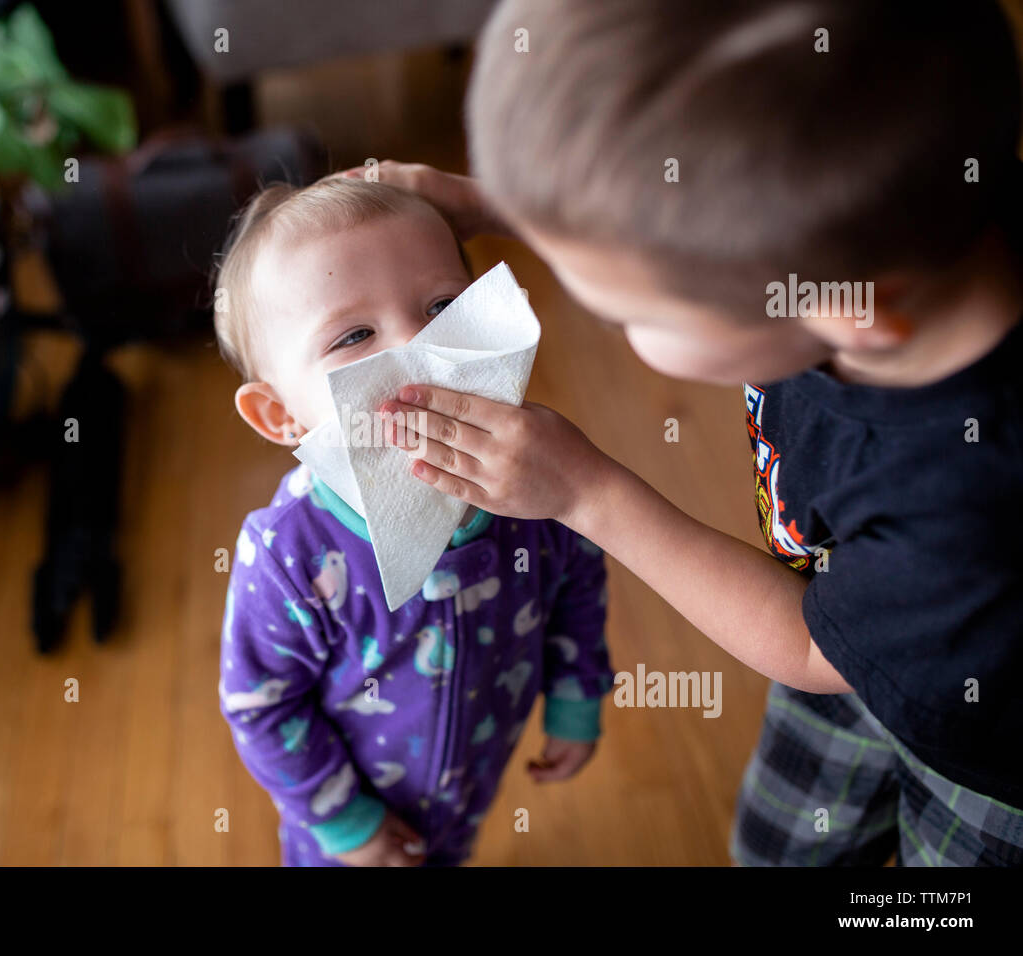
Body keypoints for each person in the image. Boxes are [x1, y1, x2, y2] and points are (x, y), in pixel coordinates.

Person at [352, 0, 1023, 864]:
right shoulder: (891, 218)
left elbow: (811, 646)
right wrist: (497, 204)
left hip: (983, 762)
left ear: (851, 311)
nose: (599, 315)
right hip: (861, 607)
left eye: (629, 310)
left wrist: (585, 491)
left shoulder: (971, 505)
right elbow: (682, 230)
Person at [214, 177, 614, 865]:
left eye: (443, 306)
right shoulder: (289, 553)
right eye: (355, 334)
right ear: (281, 414)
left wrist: (577, 695)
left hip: (474, 781)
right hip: (347, 830)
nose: (418, 347)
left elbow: (579, 578)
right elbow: (262, 705)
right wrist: (347, 825)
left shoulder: (536, 472)